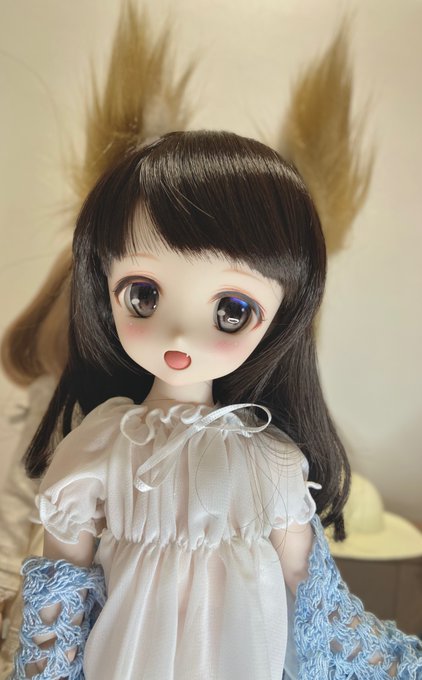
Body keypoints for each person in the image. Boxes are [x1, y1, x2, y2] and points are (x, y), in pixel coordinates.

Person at [13, 130, 422, 680]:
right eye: (143, 295)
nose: (180, 334)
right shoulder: (102, 447)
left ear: (281, 317)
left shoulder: (268, 459)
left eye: (232, 310)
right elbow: (60, 594)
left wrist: (380, 662)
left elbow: (311, 592)